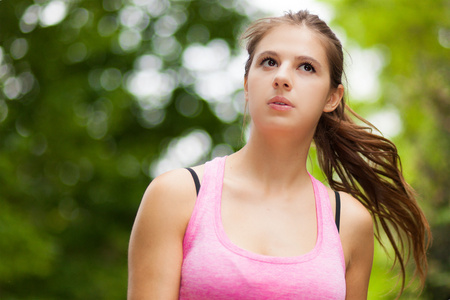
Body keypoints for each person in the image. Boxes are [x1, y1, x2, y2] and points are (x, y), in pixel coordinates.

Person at [127, 10, 430, 300]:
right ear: (247, 84)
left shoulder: (348, 221)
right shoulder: (177, 196)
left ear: (331, 97)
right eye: (269, 62)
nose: (282, 78)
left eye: (306, 67)